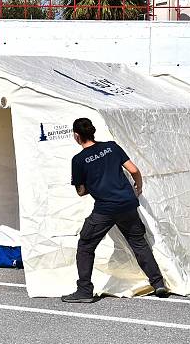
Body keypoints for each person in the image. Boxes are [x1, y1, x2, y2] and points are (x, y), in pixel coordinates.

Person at [62, 118, 168, 303]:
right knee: (139, 243)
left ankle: (84, 291)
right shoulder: (111, 147)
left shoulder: (78, 160)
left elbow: (81, 192)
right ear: (93, 132)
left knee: (86, 246)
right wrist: (138, 188)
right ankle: (158, 283)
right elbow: (134, 170)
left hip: (105, 209)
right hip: (127, 204)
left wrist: (91, 182)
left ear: (77, 136)